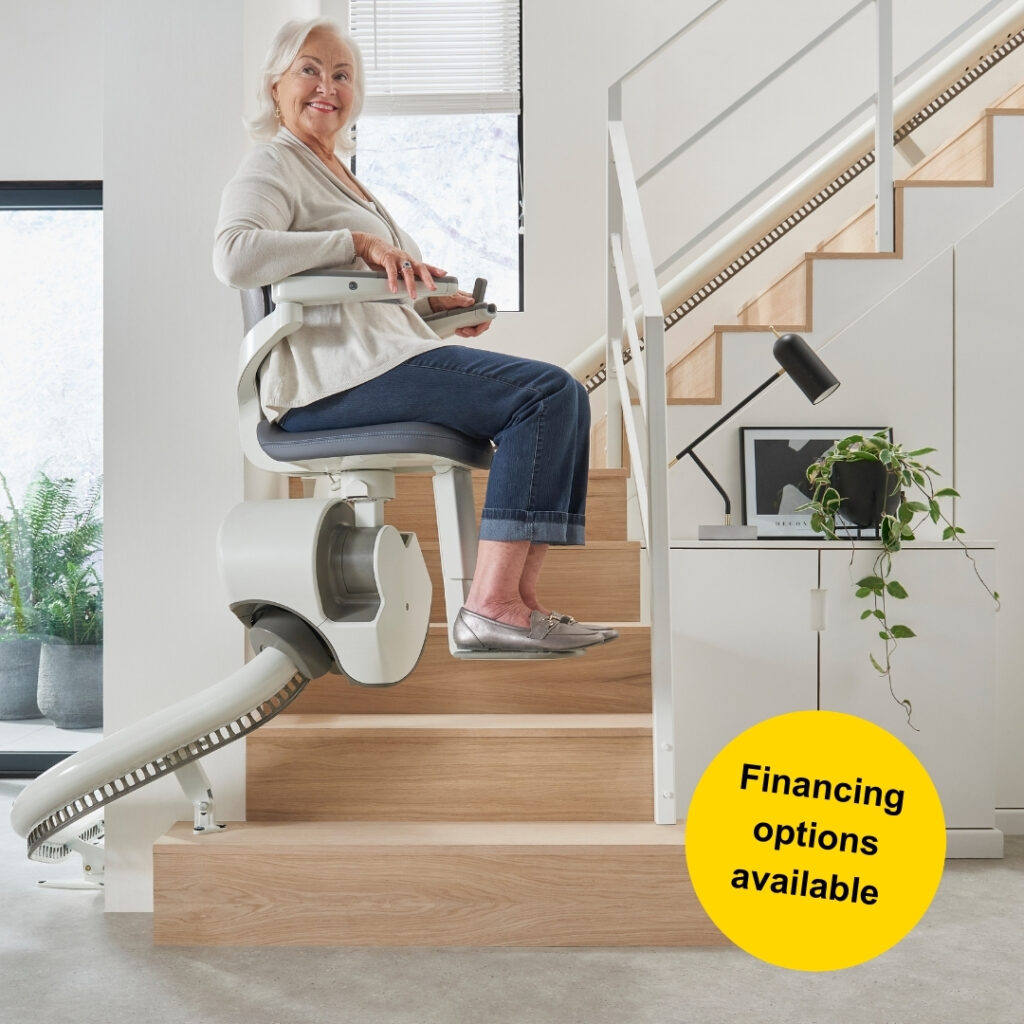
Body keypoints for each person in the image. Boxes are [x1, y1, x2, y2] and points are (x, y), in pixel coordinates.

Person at [214, 17, 616, 653]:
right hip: (335, 381)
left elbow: (365, 299)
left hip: (383, 358)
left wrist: (441, 312)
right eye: (309, 70)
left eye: (341, 74)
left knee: (562, 395)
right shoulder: (274, 164)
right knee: (544, 395)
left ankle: (517, 603)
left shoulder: (340, 174)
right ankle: (490, 605)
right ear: (274, 87)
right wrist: (355, 242)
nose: (327, 85)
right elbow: (234, 255)